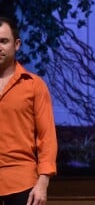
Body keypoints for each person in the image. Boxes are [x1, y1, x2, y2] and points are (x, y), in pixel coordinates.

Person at [0, 17, 57, 205]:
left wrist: (43, 183)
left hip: (22, 185)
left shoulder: (34, 86)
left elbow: (47, 137)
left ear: (16, 45)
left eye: (4, 41)